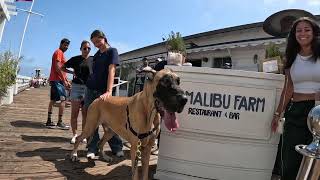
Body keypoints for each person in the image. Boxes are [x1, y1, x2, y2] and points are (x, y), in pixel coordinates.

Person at [271, 17, 320, 180]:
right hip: (296, 110)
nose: (303, 33)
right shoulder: (291, 57)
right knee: (290, 159)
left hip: (318, 111)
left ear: (314, 33)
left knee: (316, 161)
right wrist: (278, 114)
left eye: (307, 29)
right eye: (298, 30)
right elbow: (288, 88)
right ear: (294, 35)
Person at [85, 30, 124, 158]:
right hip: (91, 90)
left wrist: (108, 91)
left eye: (98, 41)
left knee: (110, 120)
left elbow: (111, 70)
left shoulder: (112, 51)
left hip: (104, 92)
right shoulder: (96, 55)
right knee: (92, 121)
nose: (96, 44)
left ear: (104, 38)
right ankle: (92, 148)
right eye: (94, 42)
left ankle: (117, 147)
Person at [62, 40, 92, 144]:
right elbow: (62, 67)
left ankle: (83, 135)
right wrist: (72, 72)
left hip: (88, 89)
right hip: (76, 87)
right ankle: (74, 135)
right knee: (74, 113)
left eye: (89, 48)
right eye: (84, 48)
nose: (86, 50)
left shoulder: (93, 60)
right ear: (81, 49)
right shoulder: (75, 59)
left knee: (85, 114)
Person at [45, 38, 71, 130]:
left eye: (68, 45)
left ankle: (49, 121)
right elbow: (57, 68)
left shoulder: (60, 53)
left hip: (56, 80)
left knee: (53, 100)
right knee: (63, 100)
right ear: (61, 44)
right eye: (65, 45)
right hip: (57, 80)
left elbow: (62, 69)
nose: (66, 47)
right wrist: (64, 80)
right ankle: (59, 122)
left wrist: (69, 76)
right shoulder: (59, 52)